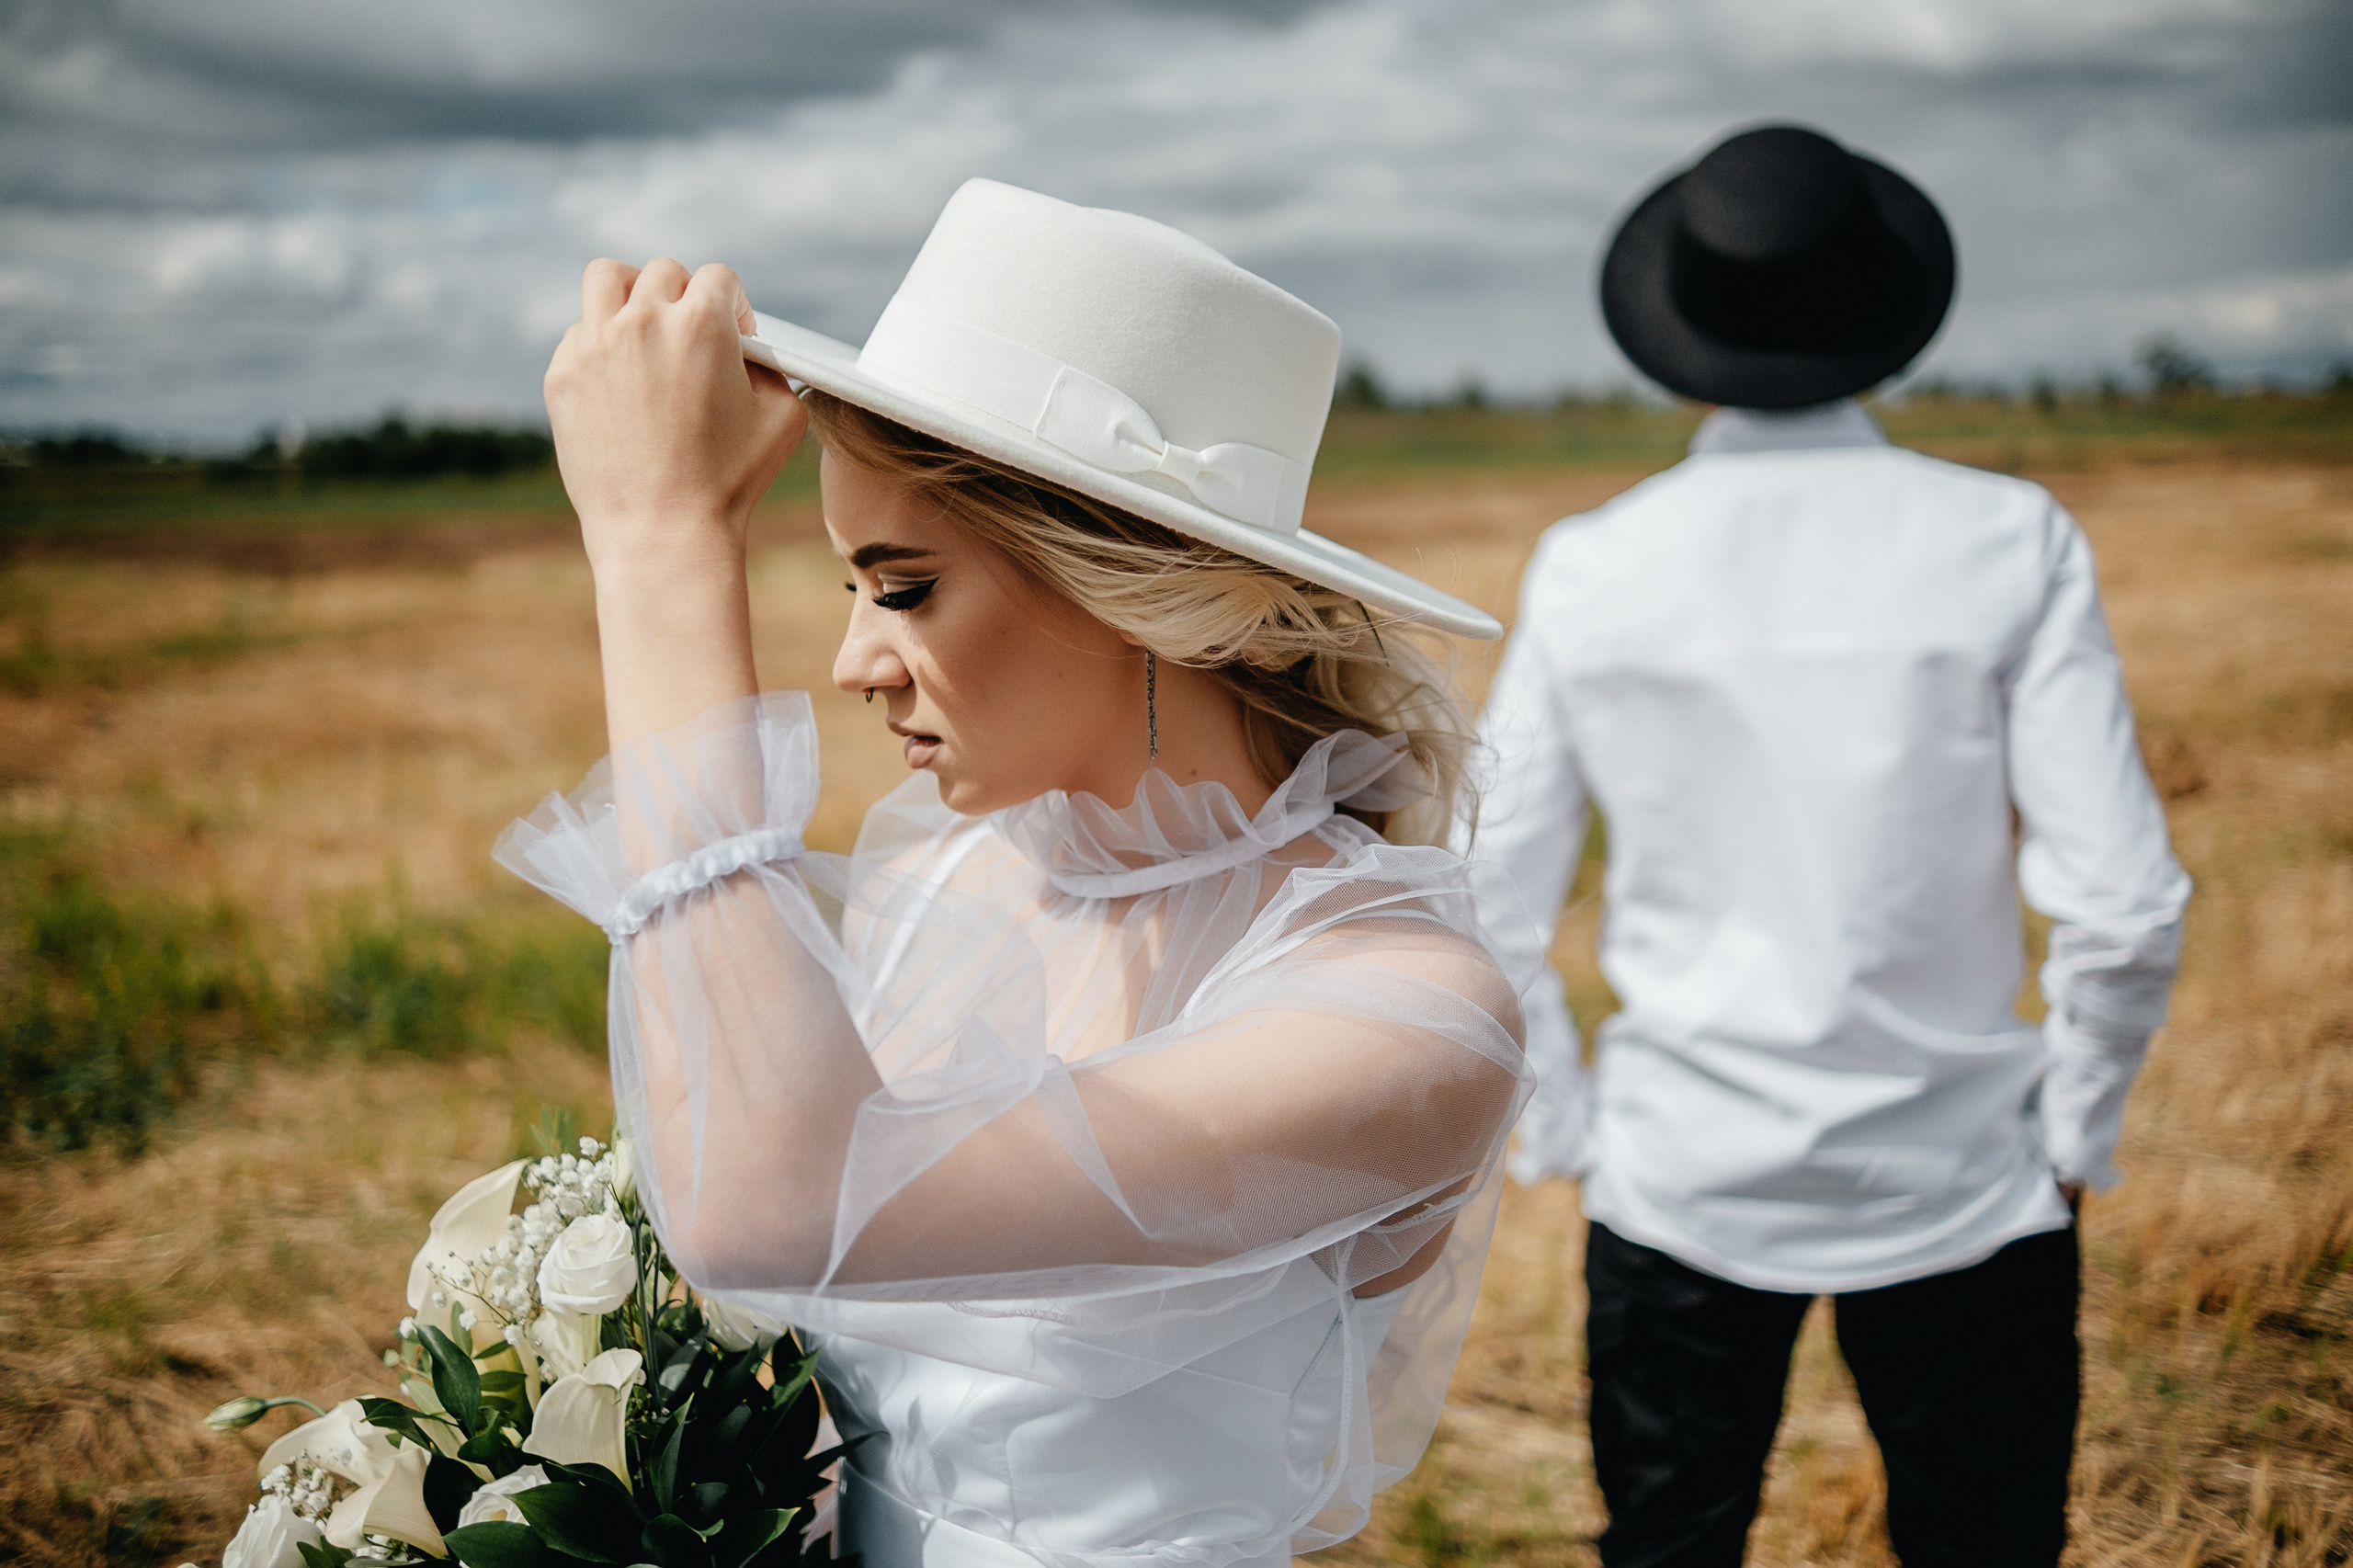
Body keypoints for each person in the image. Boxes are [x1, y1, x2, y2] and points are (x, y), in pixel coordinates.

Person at [498, 178, 1535, 1568]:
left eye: (906, 585)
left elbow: (767, 1204)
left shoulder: (1404, 1014)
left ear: (1133, 586)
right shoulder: (944, 884)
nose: (857, 662)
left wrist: (658, 547)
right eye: (847, 587)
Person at [1472, 125, 2192, 1566]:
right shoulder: (2010, 538)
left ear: (1682, 320)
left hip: (1679, 1177)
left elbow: (1488, 897)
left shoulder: (1594, 563)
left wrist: (1568, 1131)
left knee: (1669, 1544)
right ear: (1880, 312)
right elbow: (2122, 904)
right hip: (1966, 1179)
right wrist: (2073, 1135)